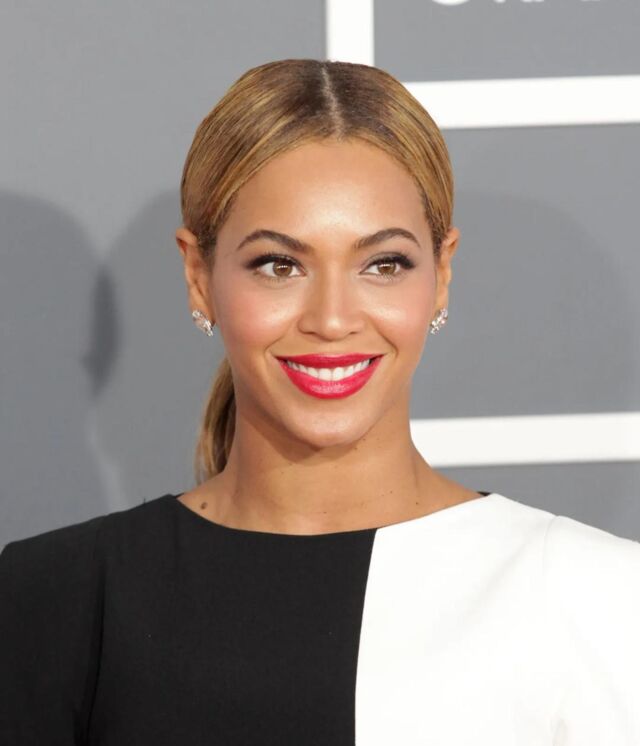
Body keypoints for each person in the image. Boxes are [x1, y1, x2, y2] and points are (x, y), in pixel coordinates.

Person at [1, 58, 639, 746]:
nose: (333, 319)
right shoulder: (52, 597)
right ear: (198, 275)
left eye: (383, 264)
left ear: (442, 272)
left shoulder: (593, 595)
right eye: (279, 265)